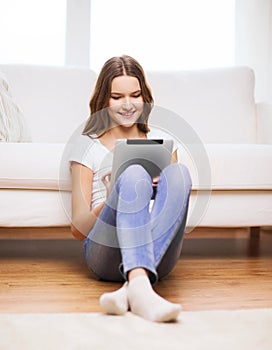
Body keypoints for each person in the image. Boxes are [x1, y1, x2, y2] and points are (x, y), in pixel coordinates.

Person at [69, 55, 192, 322]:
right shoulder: (87, 147)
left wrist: (157, 190)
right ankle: (139, 285)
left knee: (180, 173)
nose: (127, 105)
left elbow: (172, 211)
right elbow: (78, 229)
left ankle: (134, 287)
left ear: (144, 97)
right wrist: (114, 195)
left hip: (156, 250)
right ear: (104, 100)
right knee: (134, 173)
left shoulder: (163, 143)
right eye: (117, 97)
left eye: (135, 95)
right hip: (105, 252)